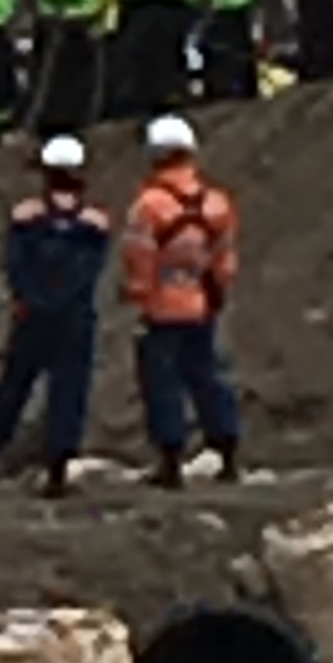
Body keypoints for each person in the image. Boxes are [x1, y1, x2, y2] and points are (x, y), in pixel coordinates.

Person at [0, 132, 113, 498]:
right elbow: (89, 273)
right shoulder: (95, 224)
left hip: (33, 315)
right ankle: (58, 468)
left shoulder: (25, 217)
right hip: (74, 317)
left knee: (13, 387)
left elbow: (16, 267)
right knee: (68, 392)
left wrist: (29, 299)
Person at [120, 110, 241, 486]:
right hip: (202, 302)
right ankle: (226, 448)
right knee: (207, 375)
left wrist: (138, 293)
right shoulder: (216, 203)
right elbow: (224, 257)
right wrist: (216, 291)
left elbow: (139, 256)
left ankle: (170, 458)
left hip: (161, 307)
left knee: (162, 383)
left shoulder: (148, 206)